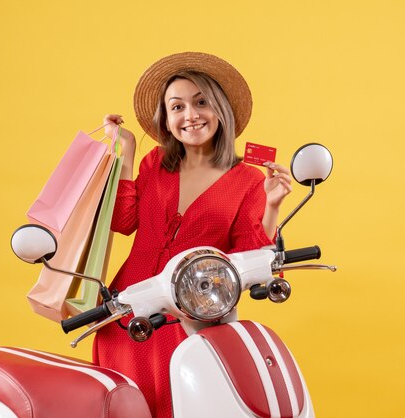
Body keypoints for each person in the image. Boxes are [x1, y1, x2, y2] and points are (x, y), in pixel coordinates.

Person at [92, 52, 292, 418]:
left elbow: (251, 256)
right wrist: (127, 150)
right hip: (128, 310)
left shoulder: (249, 180)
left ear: (221, 109)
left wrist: (273, 205)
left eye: (201, 102)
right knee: (124, 407)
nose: (190, 115)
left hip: (190, 316)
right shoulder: (155, 163)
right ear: (166, 120)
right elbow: (123, 221)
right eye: (177, 106)